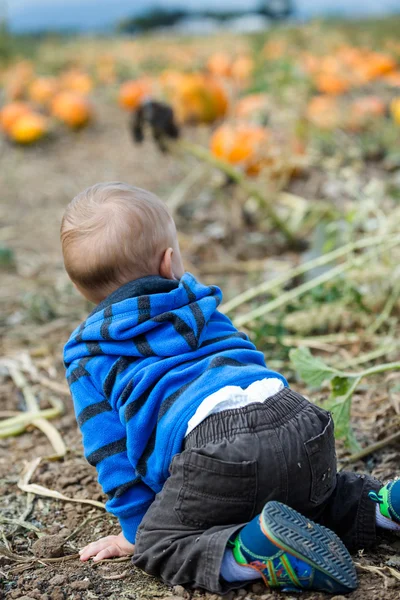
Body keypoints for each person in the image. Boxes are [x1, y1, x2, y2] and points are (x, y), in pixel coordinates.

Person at [61, 182, 400, 595]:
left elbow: (110, 452)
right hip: (296, 417)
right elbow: (245, 358)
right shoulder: (199, 304)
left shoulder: (88, 355)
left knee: (158, 544)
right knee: (316, 499)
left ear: (81, 291)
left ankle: (253, 552)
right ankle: (384, 507)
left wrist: (136, 530)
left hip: (216, 448)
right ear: (169, 264)